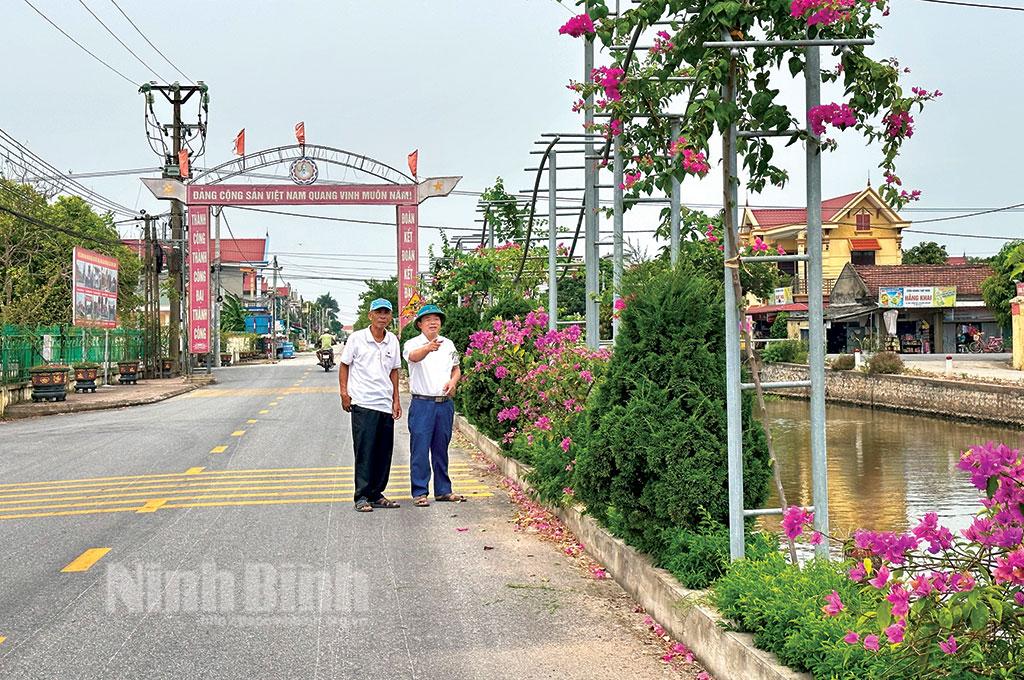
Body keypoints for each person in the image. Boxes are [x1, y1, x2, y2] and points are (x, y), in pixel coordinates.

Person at [339, 299, 402, 512]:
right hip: (363, 403)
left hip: (384, 403)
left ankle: (377, 493)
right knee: (365, 451)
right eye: (378, 312)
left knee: (384, 452)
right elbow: (345, 365)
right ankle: (362, 496)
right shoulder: (357, 338)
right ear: (370, 315)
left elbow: (394, 371)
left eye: (386, 312)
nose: (382, 316)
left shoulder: (392, 340)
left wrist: (396, 399)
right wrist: (344, 392)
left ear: (390, 316)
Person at [403, 304, 463, 507]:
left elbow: (456, 369)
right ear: (419, 324)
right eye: (427, 319)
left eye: (436, 319)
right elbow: (412, 357)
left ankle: (443, 490)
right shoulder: (412, 344)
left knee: (441, 448)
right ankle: (420, 492)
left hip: (444, 404)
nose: (433, 322)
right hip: (422, 404)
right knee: (419, 449)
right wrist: (428, 348)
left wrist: (453, 382)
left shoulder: (448, 344)